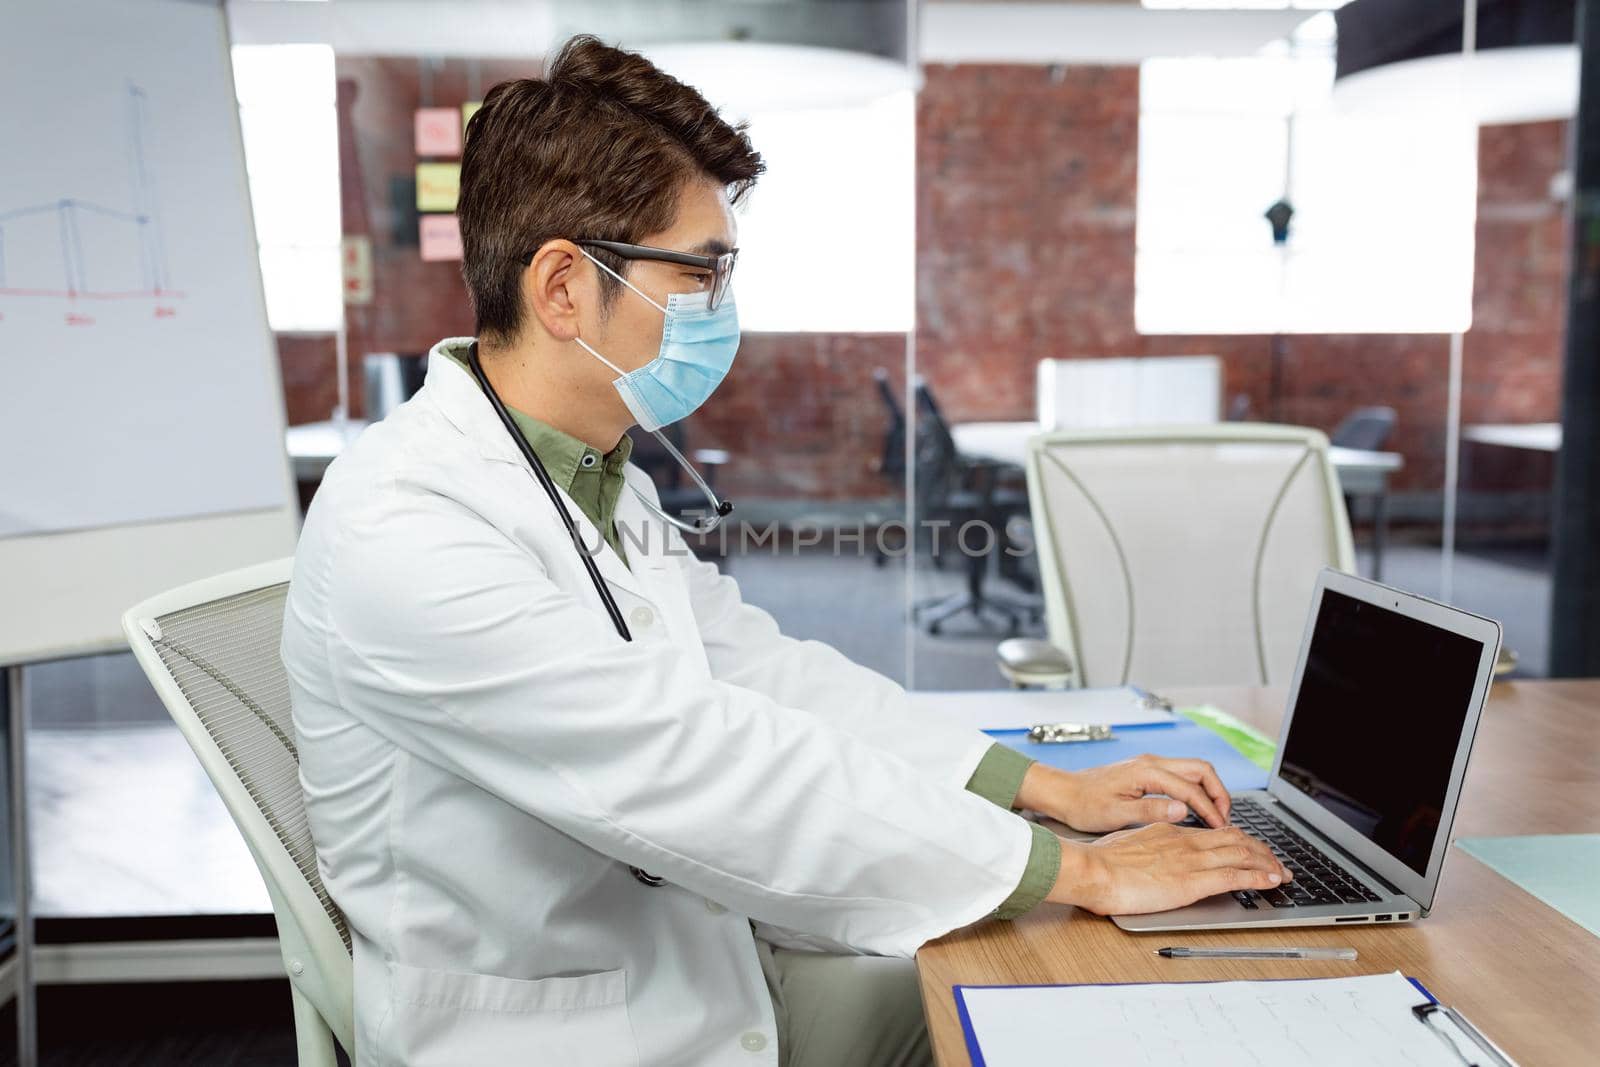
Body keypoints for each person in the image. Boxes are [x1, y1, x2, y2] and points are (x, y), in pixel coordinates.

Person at [280, 35, 1289, 1067]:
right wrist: (1080, 870)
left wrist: (1044, 788)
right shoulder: (406, 524)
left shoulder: (582, 472)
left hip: (701, 970)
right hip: (567, 1034)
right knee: (1073, 982)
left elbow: (767, 676)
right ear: (563, 288)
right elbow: (698, 770)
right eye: (702, 271)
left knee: (1087, 996)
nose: (723, 310)